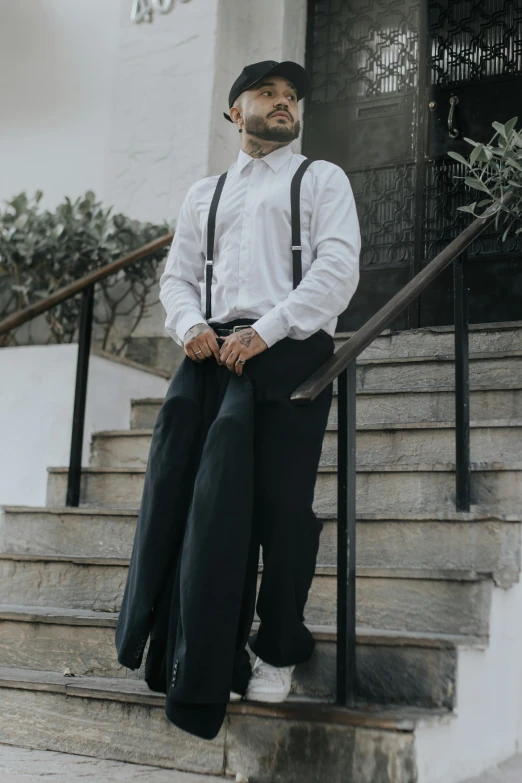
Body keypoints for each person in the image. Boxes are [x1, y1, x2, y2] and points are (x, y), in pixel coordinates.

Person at [116, 59, 360, 739]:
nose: (284, 104)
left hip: (289, 352)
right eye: (267, 94)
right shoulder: (206, 194)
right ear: (235, 111)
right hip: (211, 358)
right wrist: (191, 325)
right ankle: (190, 650)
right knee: (194, 505)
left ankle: (278, 643)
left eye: (290, 98)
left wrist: (268, 330)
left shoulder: (321, 179)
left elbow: (339, 269)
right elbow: (178, 277)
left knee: (283, 511)